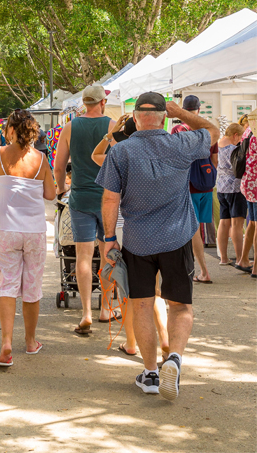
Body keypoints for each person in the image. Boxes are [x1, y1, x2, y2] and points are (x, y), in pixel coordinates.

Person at [97, 93, 220, 400]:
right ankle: (174, 358)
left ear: (136, 118)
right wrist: (183, 113)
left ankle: (150, 373)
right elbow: (213, 132)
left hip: (138, 240)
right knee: (180, 307)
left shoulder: (121, 151)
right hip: (177, 238)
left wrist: (110, 239)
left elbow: (110, 198)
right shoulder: (181, 144)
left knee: (140, 304)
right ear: (165, 117)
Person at [91, 115, 169, 359]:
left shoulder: (118, 156)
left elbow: (95, 156)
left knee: (130, 292)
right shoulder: (162, 158)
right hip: (156, 229)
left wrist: (111, 134)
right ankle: (165, 338)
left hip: (125, 229)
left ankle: (132, 343)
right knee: (155, 290)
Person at [0, 109, 55, 367]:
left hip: (7, 230)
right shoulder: (41, 158)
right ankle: (30, 341)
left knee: (7, 284)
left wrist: (8, 194)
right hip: (35, 231)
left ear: (10, 130)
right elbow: (50, 193)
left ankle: (6, 342)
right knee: (32, 286)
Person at [53, 86, 118, 333]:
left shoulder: (70, 127)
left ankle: (86, 312)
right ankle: (105, 309)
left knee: (83, 256)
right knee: (107, 254)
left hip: (79, 198)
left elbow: (59, 167)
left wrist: (61, 189)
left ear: (83, 103)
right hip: (108, 200)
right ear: (103, 101)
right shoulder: (113, 125)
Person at [171, 95, 218, 284]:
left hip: (186, 186)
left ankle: (198, 271)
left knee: (189, 231)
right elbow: (215, 161)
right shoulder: (208, 130)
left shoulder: (177, 130)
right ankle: (202, 271)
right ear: (198, 110)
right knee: (198, 229)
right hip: (205, 186)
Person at [216, 123, 248, 266]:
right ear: (235, 135)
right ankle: (241, 258)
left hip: (221, 188)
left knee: (224, 222)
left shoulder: (218, 145)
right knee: (237, 223)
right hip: (235, 188)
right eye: (240, 137)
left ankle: (223, 258)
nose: (240, 140)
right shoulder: (234, 149)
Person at [239, 109, 257, 279]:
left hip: (248, 183)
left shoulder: (247, 132)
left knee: (251, 222)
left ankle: (244, 259)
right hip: (256, 184)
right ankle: (256, 267)